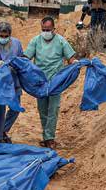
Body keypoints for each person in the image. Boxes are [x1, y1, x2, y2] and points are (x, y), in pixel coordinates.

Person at [25, 16, 76, 148]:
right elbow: (26, 58)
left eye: (48, 29)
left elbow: (70, 58)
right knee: (42, 109)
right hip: (40, 82)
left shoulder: (61, 41)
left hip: (55, 81)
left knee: (53, 109)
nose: (46, 32)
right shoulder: (35, 41)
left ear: (54, 29)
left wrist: (75, 64)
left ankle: (50, 138)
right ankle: (46, 135)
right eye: (43, 29)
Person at [0, 21, 25, 143]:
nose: (4, 38)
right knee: (0, 111)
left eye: (6, 36)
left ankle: (3, 130)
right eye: (1, 36)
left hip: (14, 81)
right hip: (0, 82)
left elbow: (21, 58)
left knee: (15, 108)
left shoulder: (16, 43)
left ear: (10, 35)